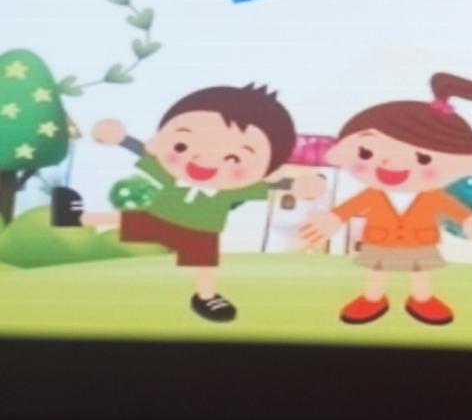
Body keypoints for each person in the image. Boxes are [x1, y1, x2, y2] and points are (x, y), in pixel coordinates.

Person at [55, 84, 312, 323]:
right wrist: (121, 139)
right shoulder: (168, 171)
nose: (204, 161)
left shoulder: (236, 189)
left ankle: (206, 297)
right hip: (160, 218)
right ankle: (74, 217)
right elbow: (144, 152)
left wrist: (298, 185)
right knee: (126, 221)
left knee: (204, 264)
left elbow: (272, 186)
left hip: (199, 232)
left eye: (234, 158)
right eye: (181, 145)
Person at [299, 69, 472, 326]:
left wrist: (471, 221)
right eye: (366, 153)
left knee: (421, 271)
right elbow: (350, 208)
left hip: (419, 239)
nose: (391, 163)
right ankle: (373, 299)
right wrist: (332, 219)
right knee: (376, 269)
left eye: (423, 159)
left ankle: (422, 299)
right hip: (380, 238)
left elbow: (453, 209)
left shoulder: (432, 195)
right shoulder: (372, 193)